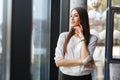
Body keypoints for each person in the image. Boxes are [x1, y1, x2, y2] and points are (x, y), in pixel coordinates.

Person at [54, 7, 98, 80]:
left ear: (82, 18)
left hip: (85, 77)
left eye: (76, 15)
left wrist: (82, 37)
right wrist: (82, 61)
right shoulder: (63, 36)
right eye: (71, 16)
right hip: (67, 77)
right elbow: (58, 62)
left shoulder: (92, 38)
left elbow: (86, 59)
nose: (72, 18)